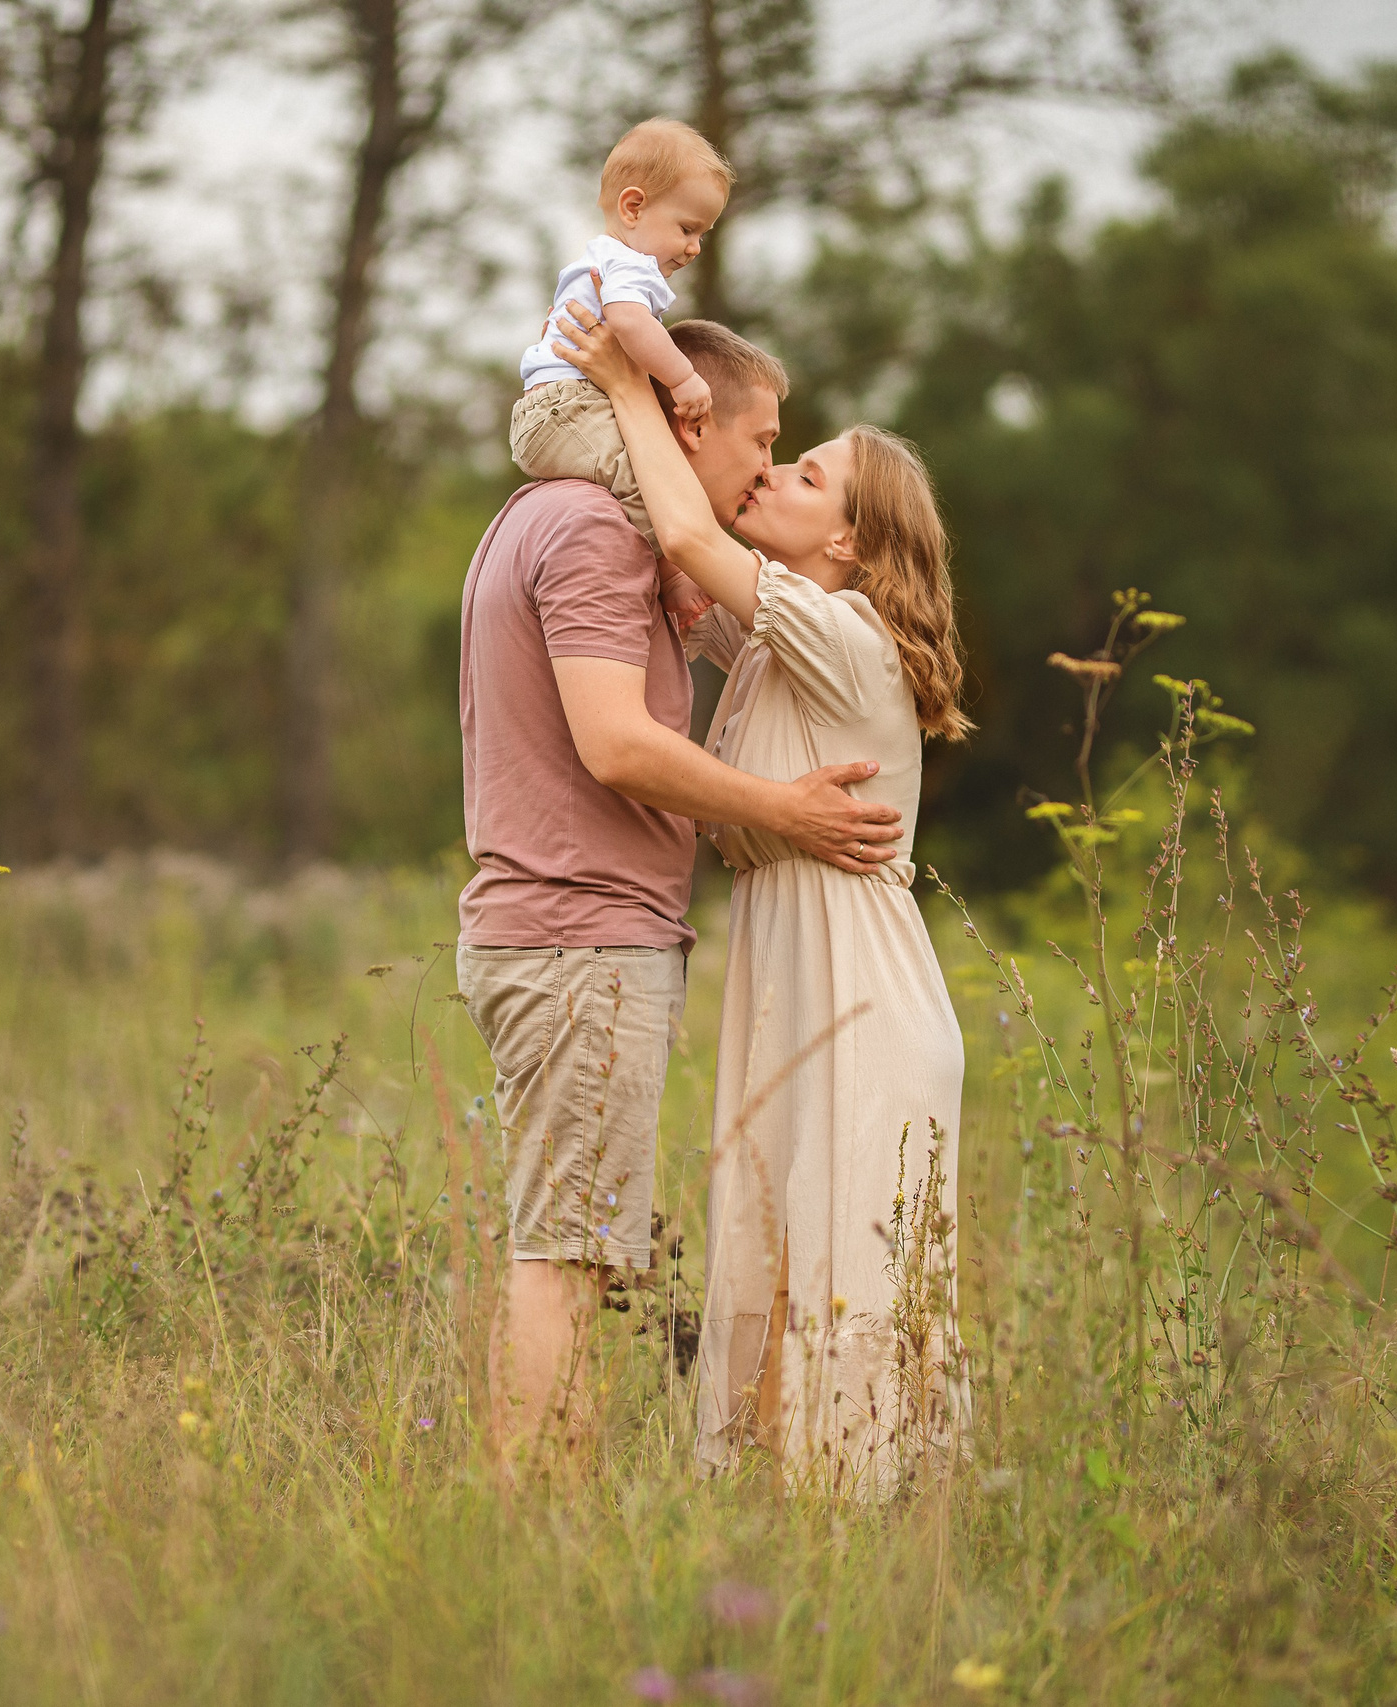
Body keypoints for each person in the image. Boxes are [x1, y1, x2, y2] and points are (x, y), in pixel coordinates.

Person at [456, 317, 904, 1470]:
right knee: (569, 1256)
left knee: (576, 1246)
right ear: (690, 419)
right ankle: (538, 1529)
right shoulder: (596, 533)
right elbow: (617, 746)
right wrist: (785, 812)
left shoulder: (561, 523)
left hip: (564, 931)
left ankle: (545, 1514)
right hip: (582, 936)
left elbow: (705, 577)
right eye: (765, 440)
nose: (767, 464)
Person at [554, 294, 972, 1497]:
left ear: (845, 544)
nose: (775, 472)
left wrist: (636, 386)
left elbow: (689, 545)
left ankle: (858, 1549)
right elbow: (682, 577)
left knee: (847, 1266)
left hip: (859, 992)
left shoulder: (844, 634)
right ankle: (777, 1535)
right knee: (775, 1245)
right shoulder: (791, 638)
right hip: (799, 972)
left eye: (805, 474)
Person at [507, 118, 733, 552]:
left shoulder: (606, 258)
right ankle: (677, 578)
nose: (695, 248)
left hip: (556, 407)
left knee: (651, 466)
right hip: (570, 408)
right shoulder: (631, 264)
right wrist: (683, 378)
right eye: (687, 229)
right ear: (633, 208)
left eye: (703, 234)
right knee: (648, 484)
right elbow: (629, 321)